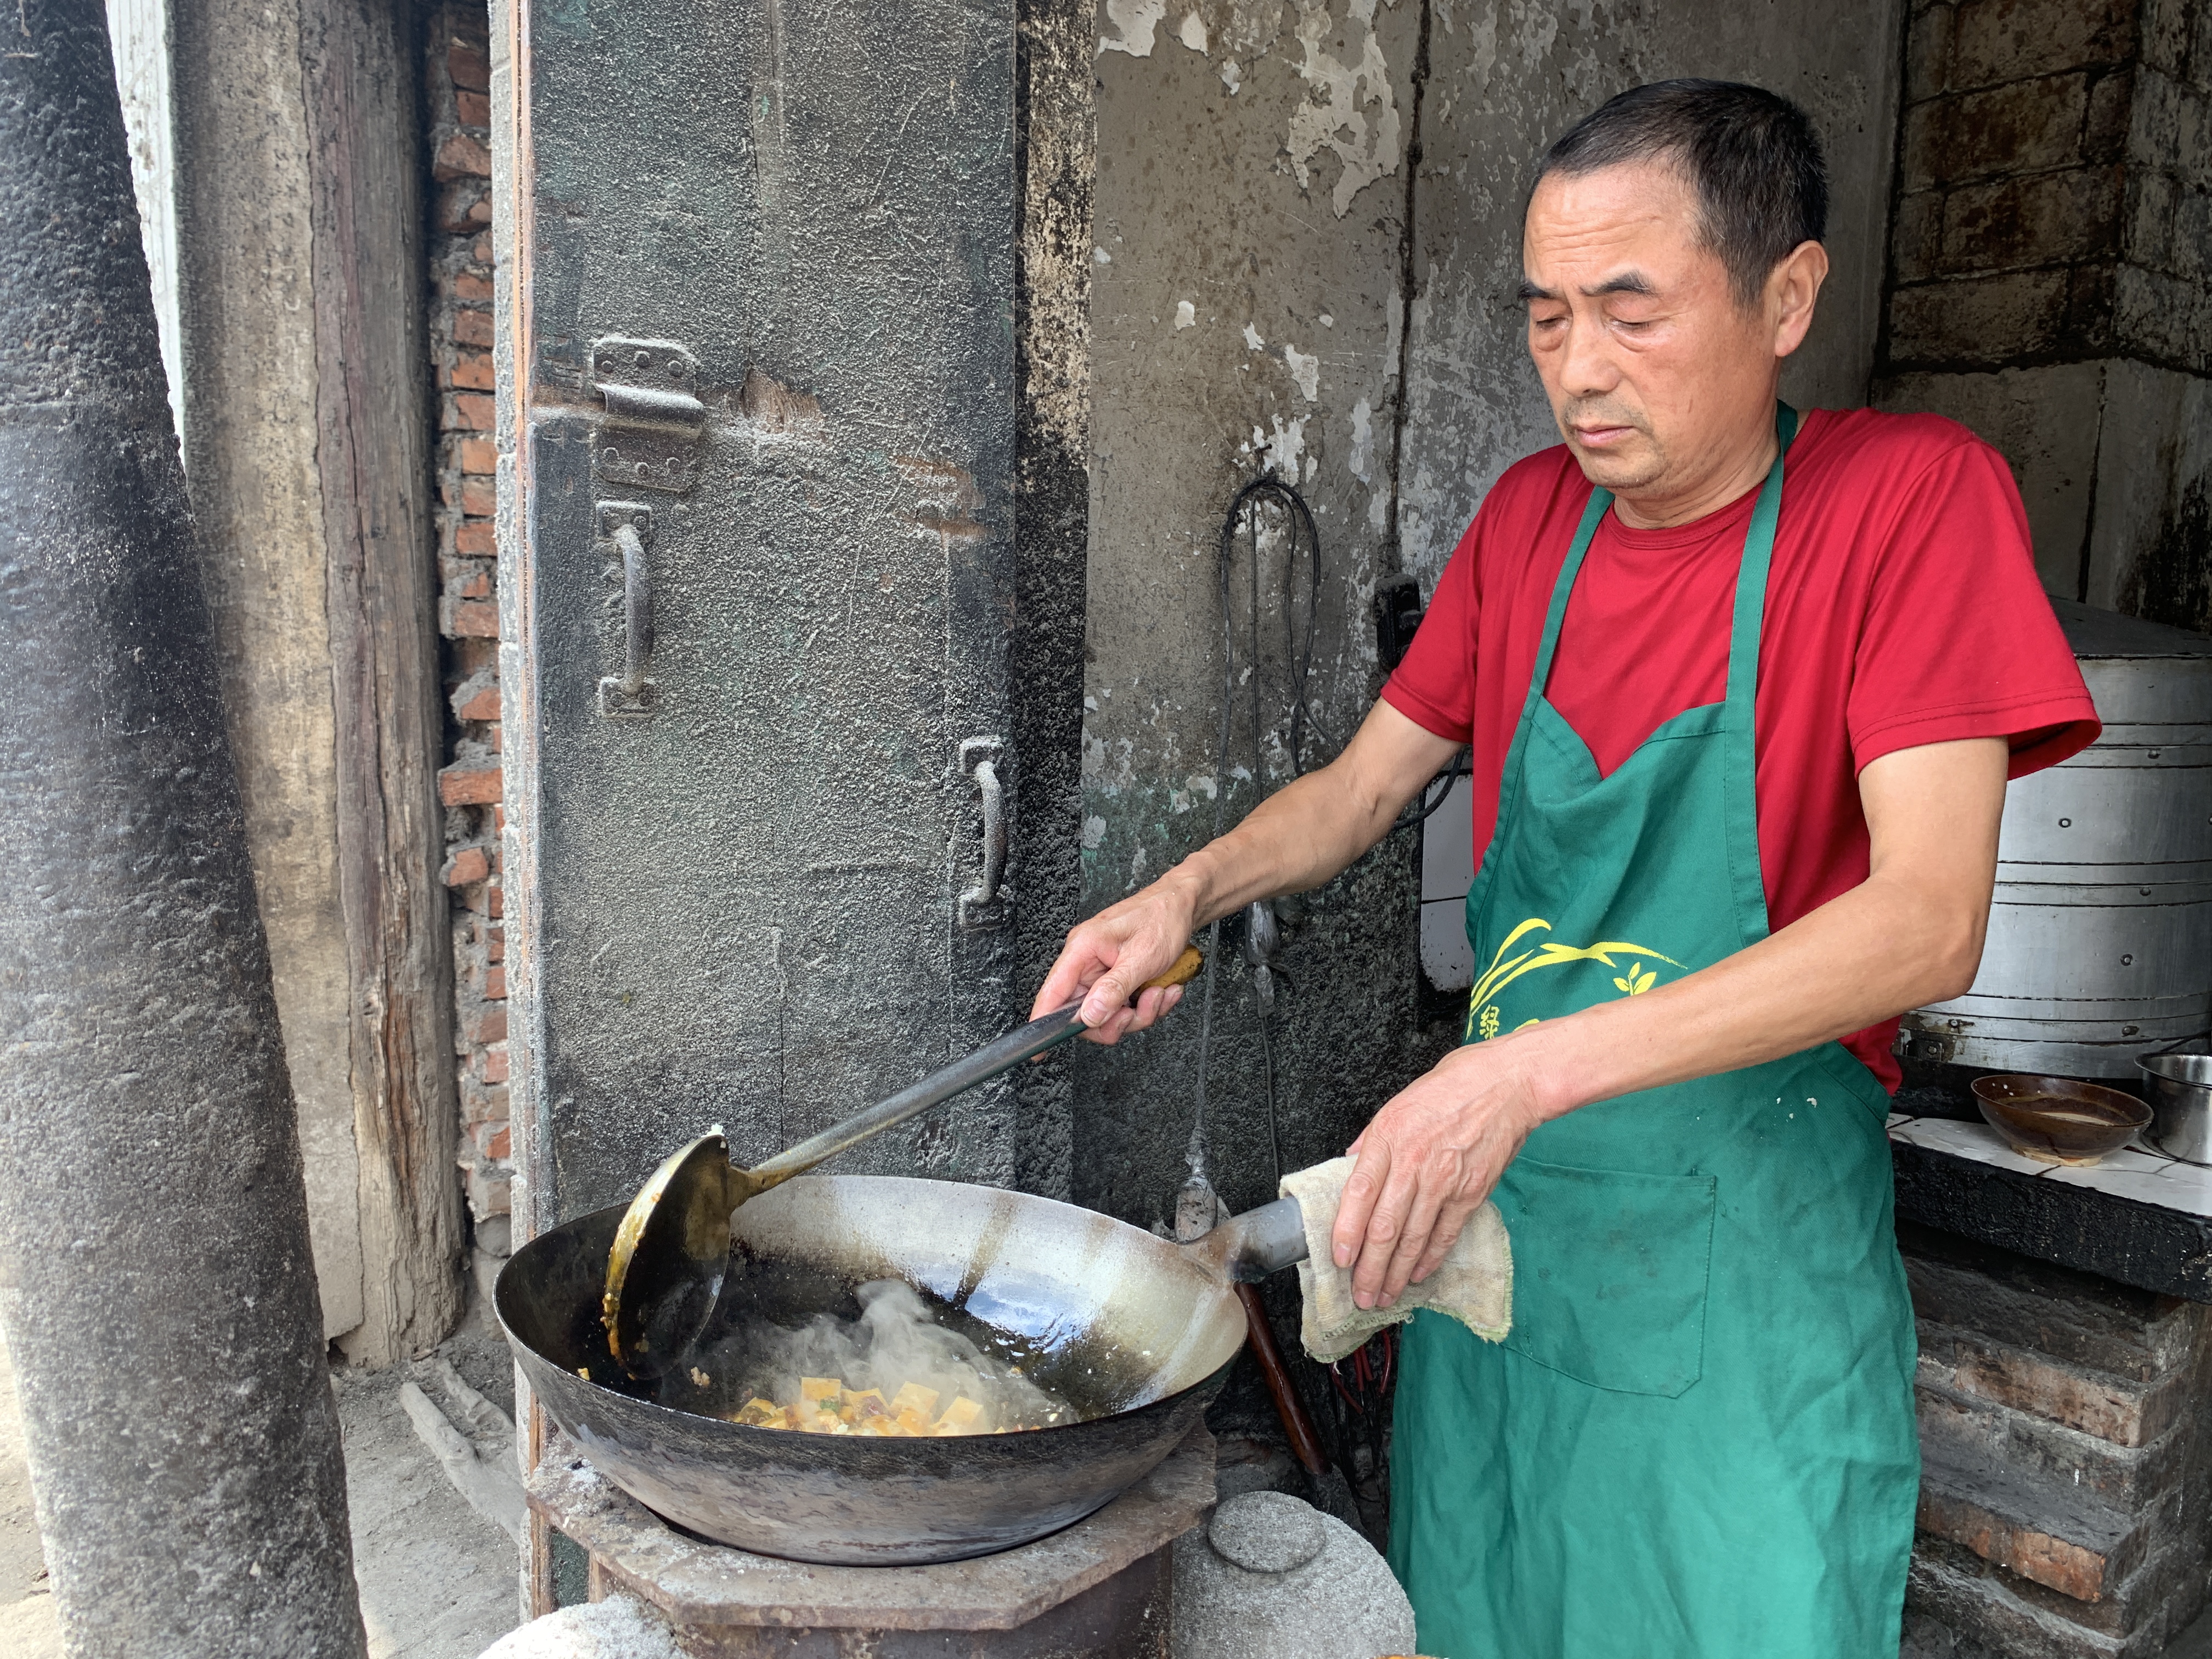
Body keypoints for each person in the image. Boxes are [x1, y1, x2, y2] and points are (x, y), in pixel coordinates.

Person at [1029, 79, 2102, 1658]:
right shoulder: (1533, 523)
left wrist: (1515, 1076)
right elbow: (1357, 794)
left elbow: (1928, 923)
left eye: (1630, 312)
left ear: (1785, 296)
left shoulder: (1907, 504)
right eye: (1545, 318)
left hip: (1747, 1289)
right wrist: (1187, 894)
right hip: (1503, 1267)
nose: (1578, 374)